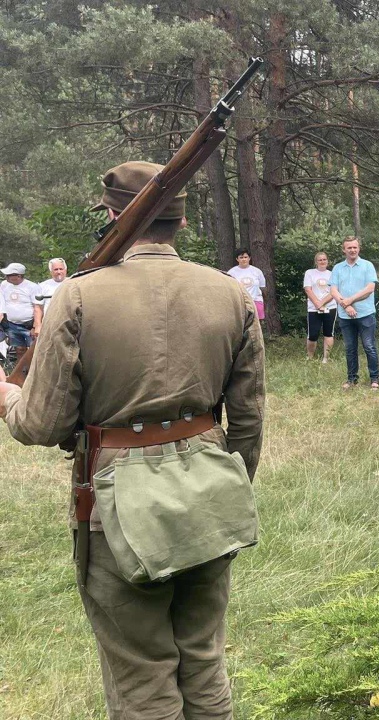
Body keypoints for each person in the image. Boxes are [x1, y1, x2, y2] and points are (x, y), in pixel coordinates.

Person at [0, 160, 265, 719]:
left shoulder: (78, 295)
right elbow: (248, 420)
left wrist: (7, 397)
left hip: (116, 504)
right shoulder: (231, 294)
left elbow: (41, 424)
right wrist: (226, 485)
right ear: (183, 221)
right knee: (204, 661)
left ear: (112, 214)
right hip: (210, 494)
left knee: (142, 678)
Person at [330, 236, 379, 389]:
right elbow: (333, 290)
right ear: (343, 250)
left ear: (359, 248)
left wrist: (350, 300)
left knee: (369, 346)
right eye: (349, 248)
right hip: (345, 316)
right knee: (350, 348)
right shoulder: (338, 268)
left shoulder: (367, 266)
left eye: (355, 247)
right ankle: (352, 379)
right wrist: (346, 306)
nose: (352, 250)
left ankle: (374, 379)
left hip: (365, 314)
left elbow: (370, 289)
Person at [1, 262, 42, 366]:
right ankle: (20, 370)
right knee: (19, 349)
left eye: (9, 275)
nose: (6, 277)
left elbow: (37, 307)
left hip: (28, 324)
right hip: (12, 324)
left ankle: (34, 370)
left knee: (33, 350)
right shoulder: (4, 285)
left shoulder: (32, 287)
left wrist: (36, 326)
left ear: (18, 276)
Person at [303, 251, 337, 362]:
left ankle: (326, 358)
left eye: (324, 259)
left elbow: (333, 291)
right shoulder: (310, 273)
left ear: (327, 261)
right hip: (313, 308)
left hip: (330, 307)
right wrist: (317, 303)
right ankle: (310, 357)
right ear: (316, 262)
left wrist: (322, 303)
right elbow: (308, 289)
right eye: (320, 260)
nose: (322, 261)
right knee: (312, 334)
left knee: (328, 333)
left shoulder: (332, 274)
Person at [227, 249, 267, 321]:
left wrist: (262, 301)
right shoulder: (231, 272)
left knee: (257, 323)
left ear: (249, 258)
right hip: (240, 302)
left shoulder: (257, 271)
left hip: (256, 300)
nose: (244, 259)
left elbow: (263, 288)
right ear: (237, 259)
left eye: (245, 257)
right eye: (241, 257)